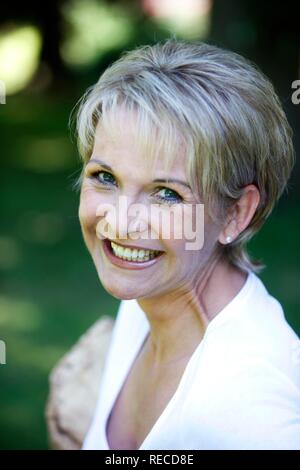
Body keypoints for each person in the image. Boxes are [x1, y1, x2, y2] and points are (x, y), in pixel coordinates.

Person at [74, 38, 300, 450]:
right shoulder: (147, 295)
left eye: (166, 193)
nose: (120, 223)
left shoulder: (249, 416)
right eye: (105, 177)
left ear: (236, 213)